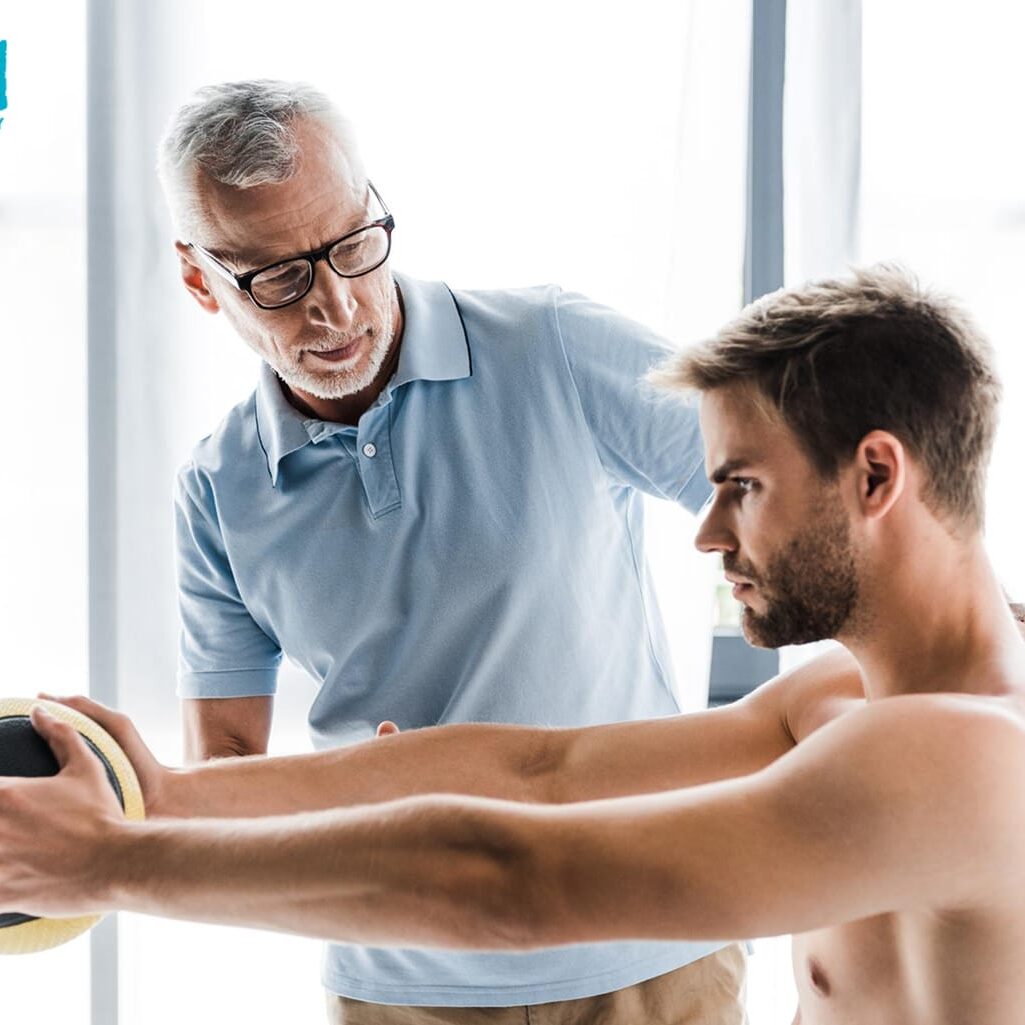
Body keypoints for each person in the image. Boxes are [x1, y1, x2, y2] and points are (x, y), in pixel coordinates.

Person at [3, 264, 1023, 1025]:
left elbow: (516, 880)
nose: (708, 532)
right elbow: (541, 769)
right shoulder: (842, 695)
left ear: (874, 476)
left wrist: (114, 862)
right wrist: (168, 795)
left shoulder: (960, 755)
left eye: (741, 487)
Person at [155, 79, 745, 1020]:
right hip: (397, 986)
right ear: (199, 280)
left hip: (647, 945)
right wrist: (344, 797)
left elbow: (776, 492)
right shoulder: (218, 488)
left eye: (353, 245)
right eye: (278, 279)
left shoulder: (554, 347)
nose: (336, 307)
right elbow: (223, 765)